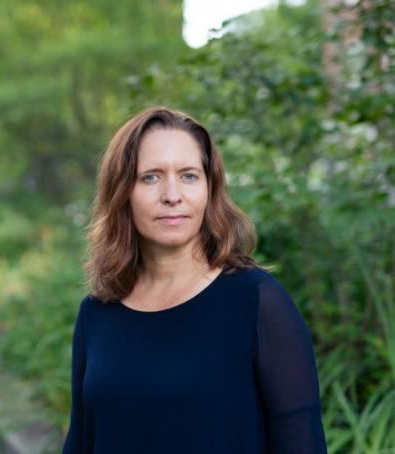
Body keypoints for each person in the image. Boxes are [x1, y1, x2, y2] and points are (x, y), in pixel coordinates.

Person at [62, 107, 327, 453]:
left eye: (188, 176)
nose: (172, 195)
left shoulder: (258, 303)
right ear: (122, 192)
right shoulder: (97, 314)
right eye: (150, 177)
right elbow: (81, 440)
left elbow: (301, 442)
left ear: (209, 188)